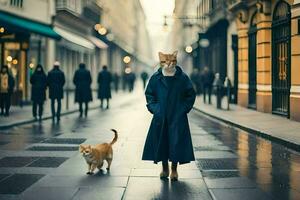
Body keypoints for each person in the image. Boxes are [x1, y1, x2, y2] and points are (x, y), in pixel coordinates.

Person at [142, 51, 196, 181]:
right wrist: (156, 109)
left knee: (176, 142)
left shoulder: (182, 77)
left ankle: (174, 169)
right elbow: (149, 95)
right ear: (160, 63)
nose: (168, 64)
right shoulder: (156, 78)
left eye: (171, 61)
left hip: (177, 116)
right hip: (161, 117)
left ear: (175, 61)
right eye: (165, 62)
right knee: (162, 142)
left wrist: (183, 109)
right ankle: (164, 167)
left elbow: (191, 94)